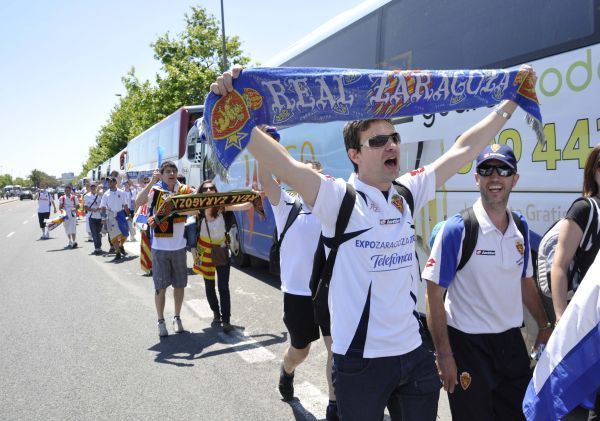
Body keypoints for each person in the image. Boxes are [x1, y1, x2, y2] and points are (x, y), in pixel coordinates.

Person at [211, 66, 533, 420]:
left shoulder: (407, 192)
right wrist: (233, 110)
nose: (391, 145)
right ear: (355, 154)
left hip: (414, 355)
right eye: (378, 141)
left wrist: (510, 103)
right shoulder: (337, 198)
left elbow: (463, 149)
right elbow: (284, 166)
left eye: (393, 137)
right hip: (361, 364)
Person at [422, 144, 552, 420]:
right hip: (468, 346)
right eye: (486, 169)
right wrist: (444, 355)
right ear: (476, 178)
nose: (495, 177)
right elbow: (433, 295)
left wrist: (543, 325)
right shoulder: (457, 229)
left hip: (510, 345)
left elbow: (525, 282)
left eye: (503, 170)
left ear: (514, 179)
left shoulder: (520, 227)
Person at [259, 151, 339, 417]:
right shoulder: (286, 205)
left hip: (327, 291)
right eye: (302, 174)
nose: (308, 180)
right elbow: (267, 181)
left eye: (314, 174)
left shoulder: (332, 207)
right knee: (300, 351)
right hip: (297, 294)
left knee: (335, 349)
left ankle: (334, 405)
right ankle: (287, 370)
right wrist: (263, 153)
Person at [550, 144, 600, 420]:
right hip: (590, 324)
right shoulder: (584, 209)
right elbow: (559, 266)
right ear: (593, 172)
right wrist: (560, 319)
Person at [138, 161, 193, 337]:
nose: (171, 173)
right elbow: (138, 202)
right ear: (161, 175)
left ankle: (177, 317)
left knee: (179, 285)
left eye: (174, 171)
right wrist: (151, 183)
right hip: (159, 248)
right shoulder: (155, 191)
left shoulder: (185, 190)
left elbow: (197, 208)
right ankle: (160, 320)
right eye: (167, 171)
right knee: (160, 287)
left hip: (179, 247)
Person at [193, 179, 252, 334]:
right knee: (209, 286)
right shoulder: (197, 209)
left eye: (211, 188)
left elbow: (244, 206)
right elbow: (180, 211)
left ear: (215, 190)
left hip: (222, 250)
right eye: (205, 189)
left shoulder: (222, 207)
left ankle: (226, 320)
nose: (208, 191)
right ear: (201, 192)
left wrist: (257, 197)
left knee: (223, 287)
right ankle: (216, 314)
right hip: (204, 251)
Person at [100, 177, 130, 261]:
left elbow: (125, 205)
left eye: (110, 182)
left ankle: (121, 246)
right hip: (110, 216)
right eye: (108, 182)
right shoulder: (106, 194)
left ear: (115, 182)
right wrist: (103, 218)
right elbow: (103, 207)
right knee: (113, 235)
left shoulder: (122, 192)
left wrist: (129, 216)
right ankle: (117, 252)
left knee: (124, 233)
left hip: (121, 215)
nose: (109, 183)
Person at [84, 182, 103, 255]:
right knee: (94, 233)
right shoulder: (86, 196)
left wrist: (99, 208)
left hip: (100, 217)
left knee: (99, 234)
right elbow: (85, 207)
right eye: (91, 187)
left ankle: (99, 246)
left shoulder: (100, 195)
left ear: (96, 187)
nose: (93, 188)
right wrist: (93, 210)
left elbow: (104, 204)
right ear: (89, 188)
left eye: (94, 187)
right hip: (91, 217)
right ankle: (97, 248)